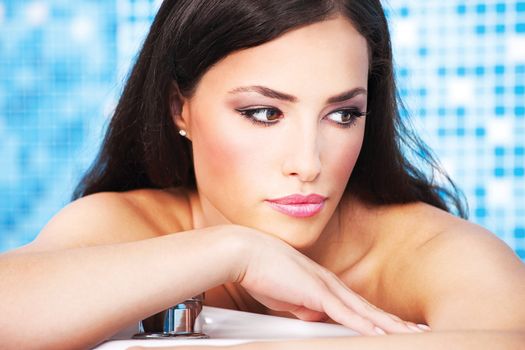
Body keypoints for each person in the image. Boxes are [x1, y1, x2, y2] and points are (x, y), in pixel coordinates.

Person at [1, 1, 524, 349]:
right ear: (179, 108)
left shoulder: (427, 254)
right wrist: (234, 252)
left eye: (342, 115)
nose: (308, 162)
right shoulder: (131, 226)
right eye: (264, 113)